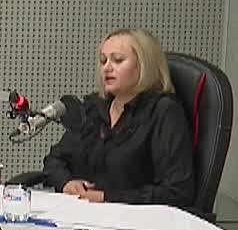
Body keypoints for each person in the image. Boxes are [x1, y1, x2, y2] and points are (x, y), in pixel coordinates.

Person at [41, 28, 195, 206]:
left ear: (144, 65)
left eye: (118, 60)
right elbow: (55, 160)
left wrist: (106, 197)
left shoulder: (163, 112)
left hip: (135, 218)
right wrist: (67, 183)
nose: (107, 68)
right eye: (103, 61)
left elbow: (177, 191)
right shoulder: (94, 108)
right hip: (83, 213)